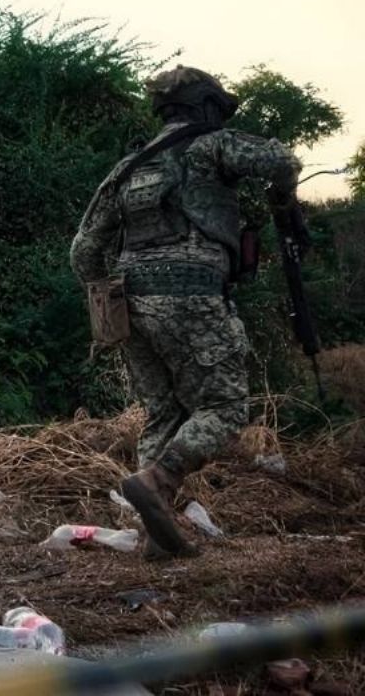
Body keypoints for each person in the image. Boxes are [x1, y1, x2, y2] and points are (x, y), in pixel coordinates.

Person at [70, 65, 301, 558]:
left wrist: (109, 298)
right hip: (194, 293)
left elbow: (83, 252)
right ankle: (161, 479)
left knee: (164, 411)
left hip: (131, 303)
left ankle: (157, 536)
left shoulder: (128, 168)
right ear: (206, 105)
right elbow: (282, 160)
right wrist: (284, 200)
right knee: (225, 406)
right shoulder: (211, 146)